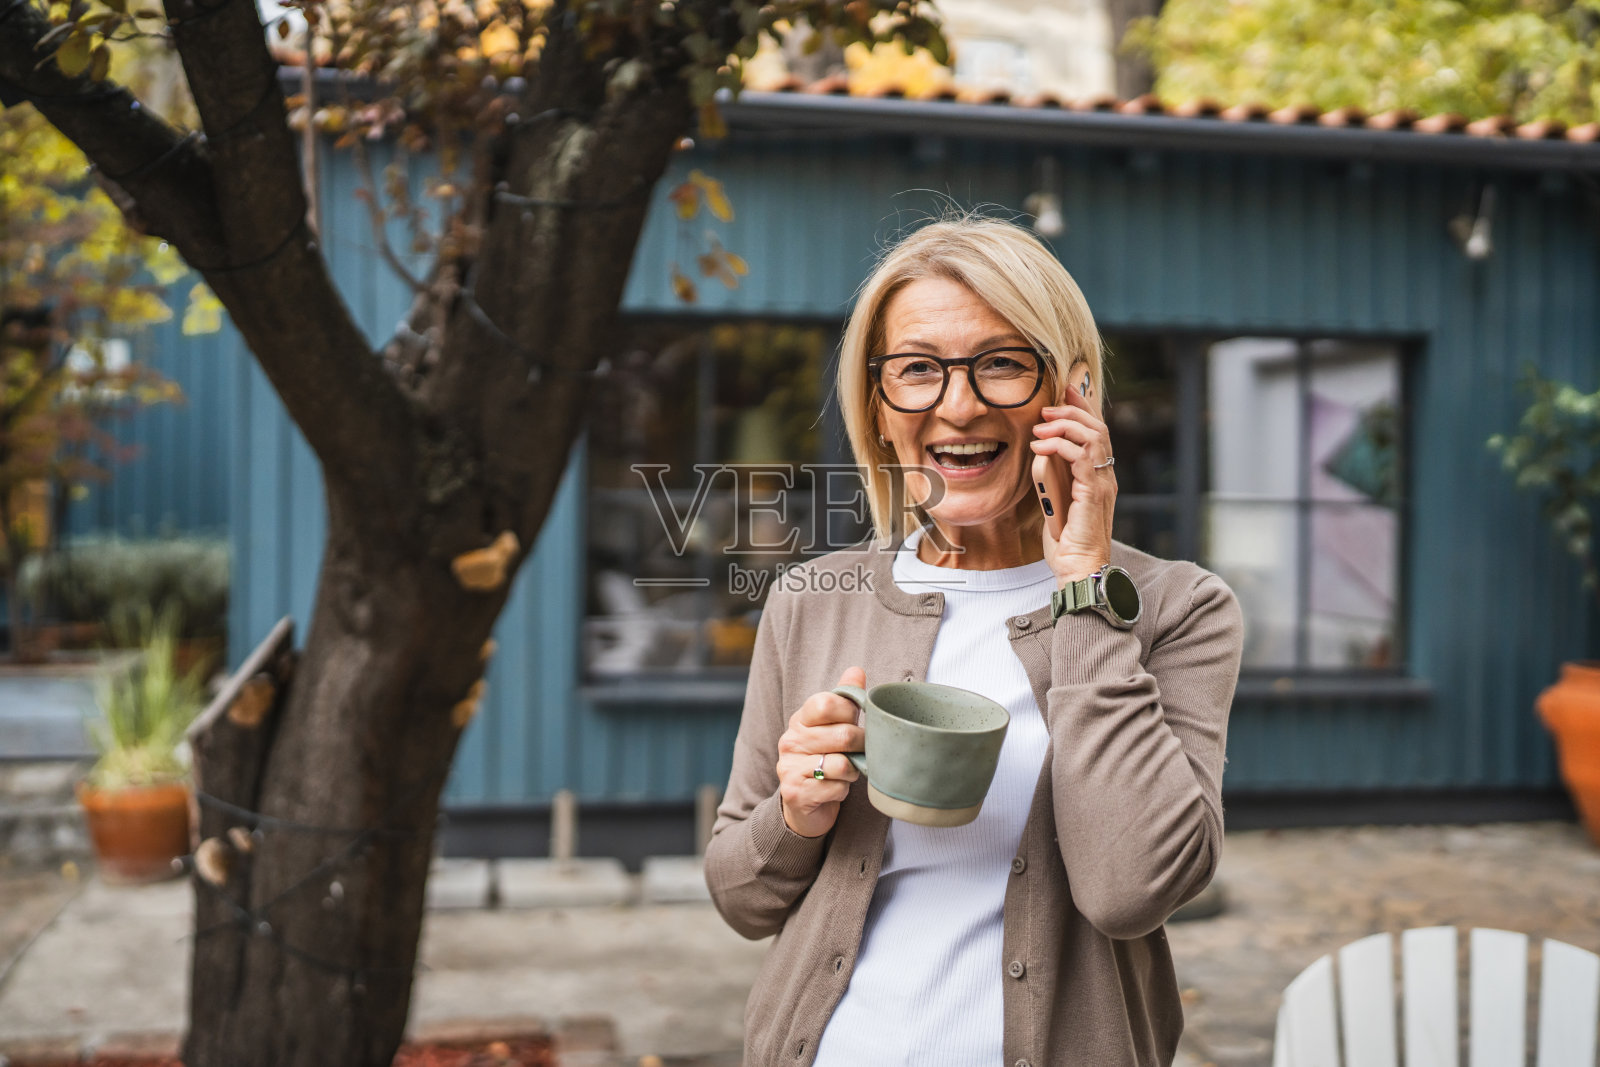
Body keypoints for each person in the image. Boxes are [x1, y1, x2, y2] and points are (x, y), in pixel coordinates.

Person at [702, 214, 1246, 1067]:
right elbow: (740, 896)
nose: (958, 404)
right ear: (880, 409)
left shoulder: (1179, 608)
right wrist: (798, 814)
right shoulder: (813, 598)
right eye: (917, 369)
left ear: (1071, 393)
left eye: (1000, 363)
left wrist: (1084, 588)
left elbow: (1130, 888)